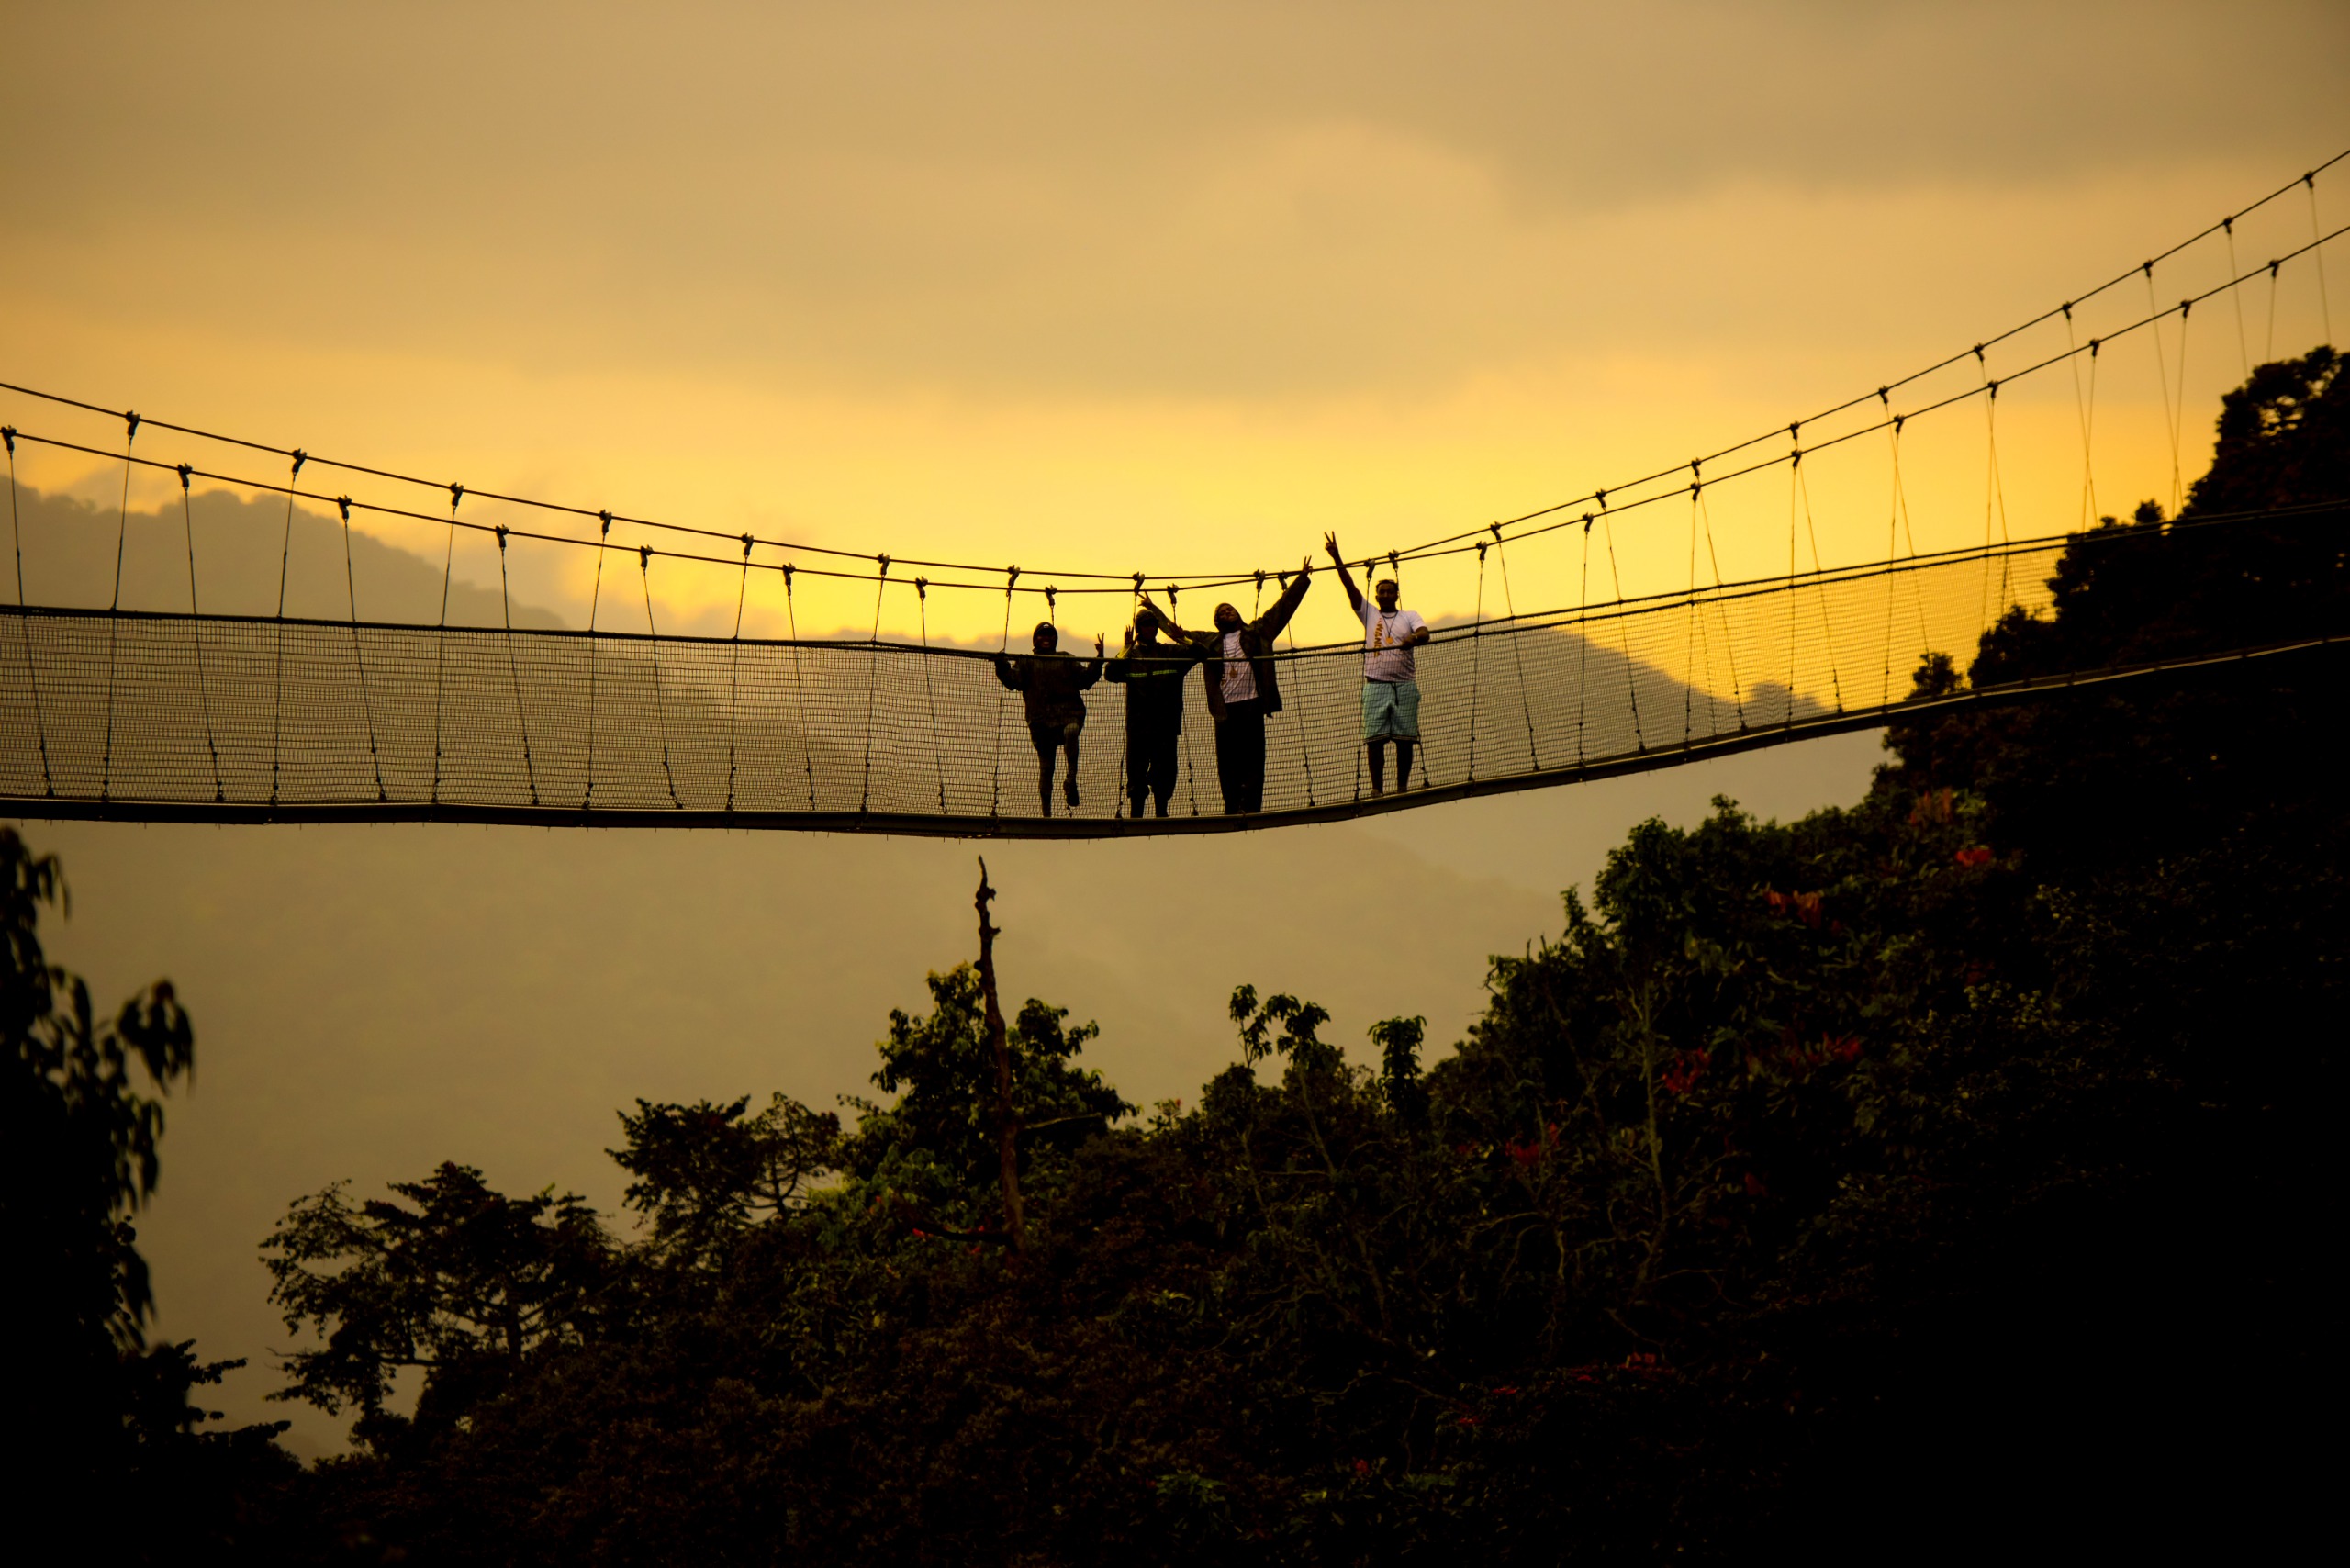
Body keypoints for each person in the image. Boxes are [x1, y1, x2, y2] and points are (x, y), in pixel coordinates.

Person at [1147, 556, 1313, 814]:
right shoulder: (1209, 640)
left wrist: (1301, 579)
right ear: (1217, 621)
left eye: (1230, 609)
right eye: (1221, 612)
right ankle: (1232, 805)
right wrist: (1153, 609)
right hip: (1224, 709)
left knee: (1254, 758)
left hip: (1252, 703)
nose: (1227, 612)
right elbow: (1177, 633)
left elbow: (1283, 609)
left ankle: (1252, 806)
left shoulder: (1258, 632)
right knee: (1227, 761)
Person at [1325, 532, 1430, 795]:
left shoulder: (1410, 615)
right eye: (1380, 591)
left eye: (1389, 590)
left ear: (1397, 593)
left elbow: (1425, 634)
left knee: (1405, 740)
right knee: (1375, 740)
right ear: (1376, 595)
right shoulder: (1369, 613)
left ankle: (1402, 787)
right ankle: (1376, 789)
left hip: (1404, 685)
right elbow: (1349, 586)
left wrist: (1412, 640)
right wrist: (1337, 556)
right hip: (1375, 685)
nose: (1385, 594)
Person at [994, 622, 1103, 815]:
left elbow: (1085, 679)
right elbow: (1013, 681)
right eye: (1041, 635)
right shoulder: (1026, 662)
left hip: (1068, 714)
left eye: (1050, 635)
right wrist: (1001, 666)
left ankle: (1071, 778)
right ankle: (1047, 814)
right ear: (1034, 640)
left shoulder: (1066, 659)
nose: (1046, 638)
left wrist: (1099, 659)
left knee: (1071, 731)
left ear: (1056, 640)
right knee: (1046, 767)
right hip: (1041, 722)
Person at [1103, 606, 1200, 818]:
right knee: (1136, 773)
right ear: (1139, 629)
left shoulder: (1171, 653)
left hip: (1166, 726)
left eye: (1153, 624)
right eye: (1145, 625)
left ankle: (1161, 813)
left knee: (1164, 772)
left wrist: (1183, 639)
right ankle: (1136, 815)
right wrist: (1125, 649)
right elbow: (1110, 673)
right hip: (1138, 728)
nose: (1150, 628)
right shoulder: (1131, 657)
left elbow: (1201, 654)